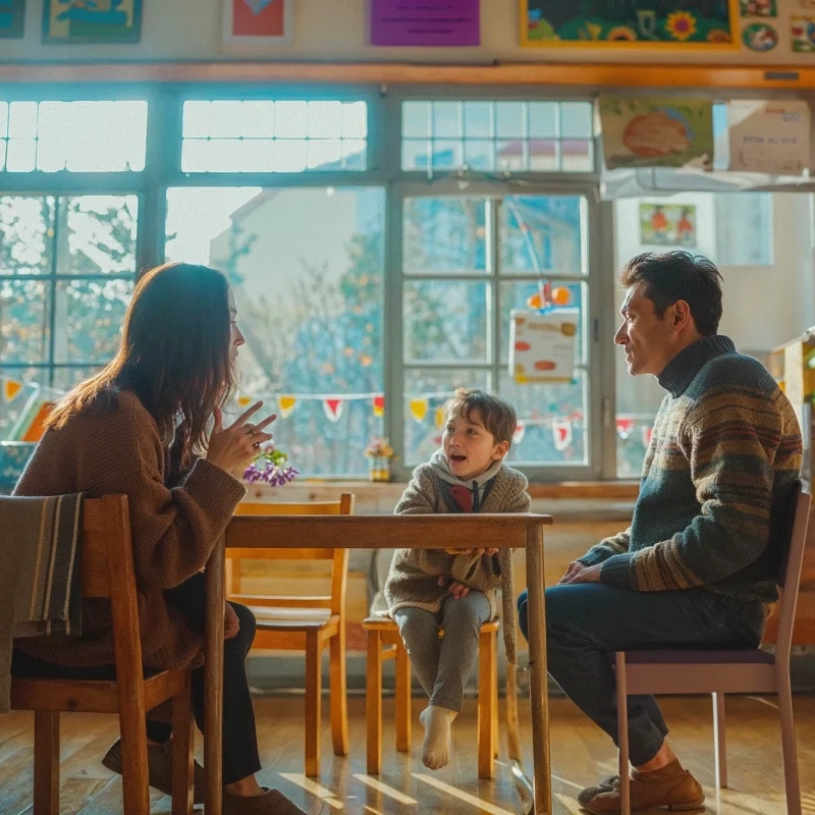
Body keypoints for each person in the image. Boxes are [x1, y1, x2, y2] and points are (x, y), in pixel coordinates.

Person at [11, 262, 307, 815]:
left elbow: (155, 527)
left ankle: (159, 748)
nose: (238, 338)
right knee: (223, 623)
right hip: (58, 631)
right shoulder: (117, 418)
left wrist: (207, 465)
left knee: (226, 617)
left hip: (79, 614)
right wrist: (216, 471)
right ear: (192, 330)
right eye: (229, 322)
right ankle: (231, 789)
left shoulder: (132, 409)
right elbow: (162, 561)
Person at [517, 251, 802, 814]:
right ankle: (658, 772)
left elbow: (730, 535)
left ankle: (660, 773)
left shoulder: (727, 384)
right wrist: (597, 559)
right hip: (701, 594)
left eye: (631, 315)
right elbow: (657, 528)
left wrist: (613, 571)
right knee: (553, 602)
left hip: (720, 604)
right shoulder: (689, 391)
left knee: (544, 614)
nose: (621, 334)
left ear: (677, 317)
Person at [383, 389, 530, 770]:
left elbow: (504, 557)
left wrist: (472, 574)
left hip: (476, 587)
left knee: (466, 613)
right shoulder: (426, 478)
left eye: (471, 432)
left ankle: (438, 711)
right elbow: (409, 534)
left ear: (498, 449)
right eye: (451, 429)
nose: (455, 439)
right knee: (414, 622)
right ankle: (443, 709)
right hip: (416, 582)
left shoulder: (512, 490)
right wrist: (457, 554)